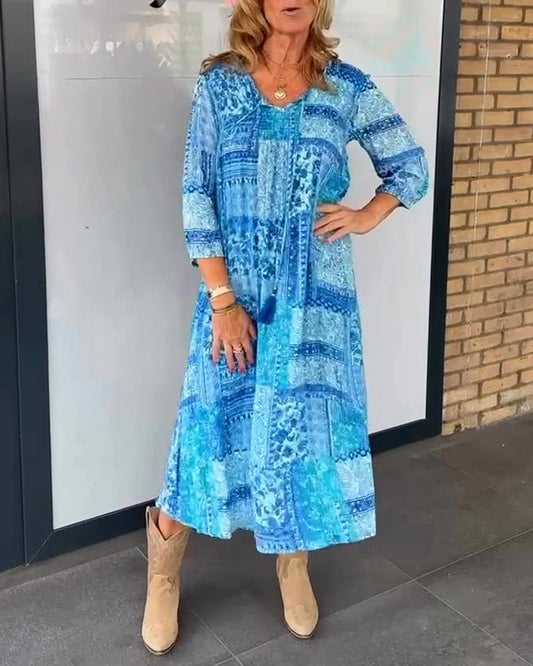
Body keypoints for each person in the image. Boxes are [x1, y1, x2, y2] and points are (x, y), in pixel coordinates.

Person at [141, 0, 429, 655]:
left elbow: (408, 164)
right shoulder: (220, 85)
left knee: (298, 429)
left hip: (315, 299)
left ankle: (292, 563)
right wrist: (222, 300)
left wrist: (368, 213)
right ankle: (162, 577)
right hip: (234, 293)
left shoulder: (344, 87)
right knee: (206, 425)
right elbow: (197, 193)